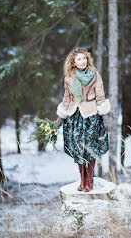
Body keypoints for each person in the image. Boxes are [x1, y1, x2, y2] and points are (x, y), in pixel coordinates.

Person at [56, 47, 110, 192]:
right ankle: (82, 179)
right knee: (78, 148)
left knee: (90, 147)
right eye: (79, 59)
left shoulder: (95, 75)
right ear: (73, 62)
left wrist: (105, 117)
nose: (82, 61)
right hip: (75, 117)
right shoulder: (69, 78)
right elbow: (67, 98)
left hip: (91, 115)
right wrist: (60, 118)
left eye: (84, 58)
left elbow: (100, 96)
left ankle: (89, 180)